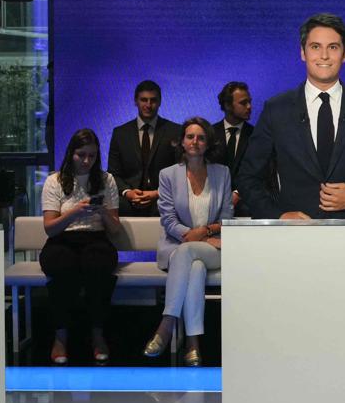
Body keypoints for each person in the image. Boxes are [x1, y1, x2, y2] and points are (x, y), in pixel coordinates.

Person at [237, 13, 345, 219]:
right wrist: (278, 216)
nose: (324, 55)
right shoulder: (277, 109)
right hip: (294, 238)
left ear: (344, 54)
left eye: (333, 47)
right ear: (303, 52)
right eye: (315, 47)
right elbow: (247, 178)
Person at [145, 117, 234, 366]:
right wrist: (188, 235)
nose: (195, 142)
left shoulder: (222, 173)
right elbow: (168, 220)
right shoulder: (168, 175)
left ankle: (166, 324)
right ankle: (193, 344)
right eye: (190, 137)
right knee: (193, 266)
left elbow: (227, 216)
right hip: (177, 246)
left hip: (213, 247)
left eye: (201, 137)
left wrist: (205, 231)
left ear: (208, 143)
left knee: (188, 253)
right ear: (182, 142)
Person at [40, 128, 123, 365]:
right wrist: (75, 212)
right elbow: (50, 227)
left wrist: (102, 212)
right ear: (71, 153)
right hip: (62, 238)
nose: (87, 161)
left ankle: (97, 335)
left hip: (96, 238)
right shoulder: (54, 181)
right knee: (62, 267)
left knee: (97, 267)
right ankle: (60, 337)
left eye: (92, 156)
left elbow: (115, 230)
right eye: (81, 155)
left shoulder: (106, 180)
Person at [107, 80, 182, 216]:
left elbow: (181, 172)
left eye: (153, 100)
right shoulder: (120, 133)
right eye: (144, 100)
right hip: (128, 200)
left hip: (163, 198)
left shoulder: (175, 131)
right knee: (109, 207)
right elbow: (113, 174)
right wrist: (128, 193)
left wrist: (157, 193)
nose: (148, 105)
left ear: (160, 102)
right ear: (136, 101)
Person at [212, 81, 253, 213]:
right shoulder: (209, 134)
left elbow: (260, 171)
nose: (249, 106)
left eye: (249, 102)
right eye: (243, 103)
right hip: (211, 204)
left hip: (247, 206)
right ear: (228, 105)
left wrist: (237, 193)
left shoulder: (257, 135)